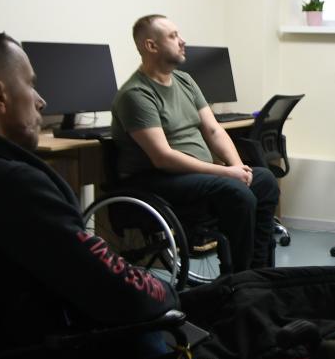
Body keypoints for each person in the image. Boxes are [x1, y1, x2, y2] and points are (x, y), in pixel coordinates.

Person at [0, 29, 179, 356]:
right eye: (30, 84)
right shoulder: (13, 185)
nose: (41, 100)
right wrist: (169, 291)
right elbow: (118, 295)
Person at [111, 14, 279, 272]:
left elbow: (213, 130)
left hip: (195, 176)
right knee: (235, 192)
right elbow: (163, 157)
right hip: (157, 178)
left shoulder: (185, 81)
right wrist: (226, 173)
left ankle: (258, 271)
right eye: (173, 36)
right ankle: (237, 278)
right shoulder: (136, 94)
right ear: (151, 46)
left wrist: (238, 169)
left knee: (264, 180)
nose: (182, 41)